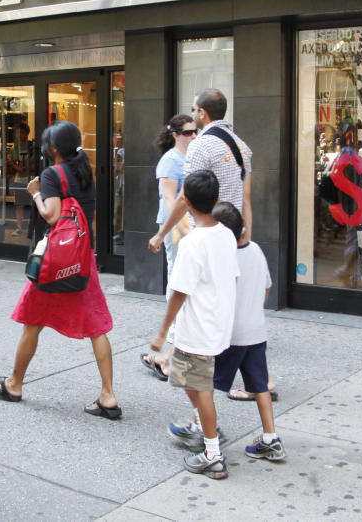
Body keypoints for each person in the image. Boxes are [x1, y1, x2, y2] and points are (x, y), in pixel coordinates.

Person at [0, 121, 121, 419]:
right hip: (82, 259)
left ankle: (15, 384)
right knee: (96, 327)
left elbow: (52, 214)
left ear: (54, 149)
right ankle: (108, 395)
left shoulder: (51, 175)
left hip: (55, 262)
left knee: (32, 322)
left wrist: (34, 193)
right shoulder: (85, 172)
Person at [150, 169, 238, 480]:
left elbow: (179, 293)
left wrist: (163, 331)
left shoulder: (192, 244)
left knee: (199, 387)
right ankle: (204, 426)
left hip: (198, 329)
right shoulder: (226, 234)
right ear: (216, 200)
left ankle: (212, 452)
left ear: (185, 201)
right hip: (217, 324)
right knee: (187, 379)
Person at [211, 201, 286, 461]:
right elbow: (266, 286)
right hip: (256, 331)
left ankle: (202, 428)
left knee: (206, 384)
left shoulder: (225, 258)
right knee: (260, 386)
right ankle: (270, 438)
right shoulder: (255, 250)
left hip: (231, 334)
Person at [149, 89, 253, 252]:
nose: (193, 113)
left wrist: (161, 234)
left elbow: (185, 196)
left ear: (202, 113)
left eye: (193, 109)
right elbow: (246, 197)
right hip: (235, 235)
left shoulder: (200, 145)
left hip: (207, 236)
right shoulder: (241, 146)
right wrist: (247, 238)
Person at [141, 114, 196, 381]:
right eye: (187, 132)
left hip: (189, 226)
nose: (193, 136)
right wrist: (174, 231)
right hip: (177, 228)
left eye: (195, 131)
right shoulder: (171, 161)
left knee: (184, 283)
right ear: (175, 134)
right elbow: (169, 198)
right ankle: (174, 341)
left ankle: (178, 343)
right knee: (177, 282)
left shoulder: (188, 157)